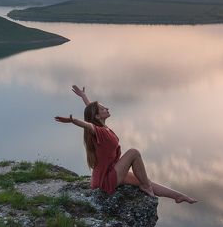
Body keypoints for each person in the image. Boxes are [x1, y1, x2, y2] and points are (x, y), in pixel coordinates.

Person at [54, 85, 197, 204]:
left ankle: (178, 196)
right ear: (98, 116)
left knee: (144, 179)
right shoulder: (98, 131)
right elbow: (88, 125)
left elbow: (91, 112)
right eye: (103, 109)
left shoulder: (101, 127)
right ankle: (147, 187)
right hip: (106, 180)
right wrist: (74, 121)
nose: (107, 108)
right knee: (134, 153)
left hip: (112, 171)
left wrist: (84, 97)